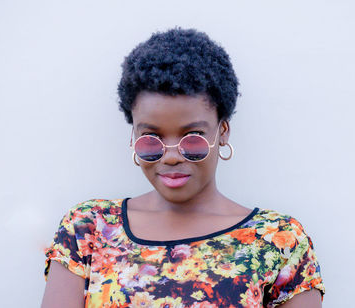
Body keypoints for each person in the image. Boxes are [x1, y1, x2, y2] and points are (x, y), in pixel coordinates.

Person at [41, 28, 325, 308]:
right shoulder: (88, 228)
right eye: (152, 139)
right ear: (133, 139)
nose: (173, 156)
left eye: (193, 138)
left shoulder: (278, 240)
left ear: (222, 132)